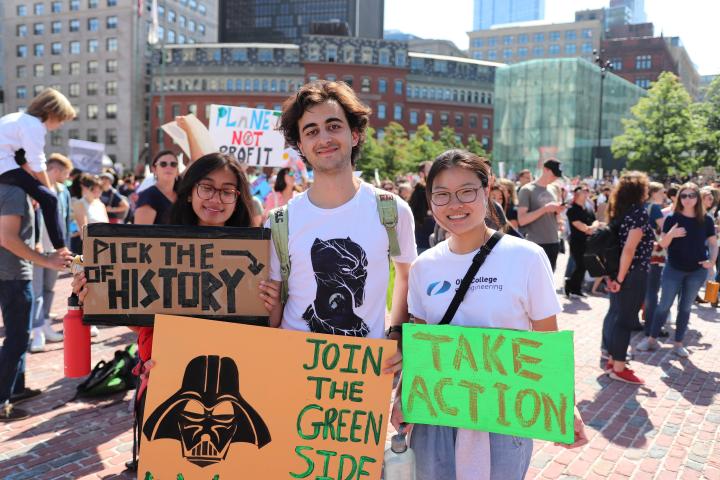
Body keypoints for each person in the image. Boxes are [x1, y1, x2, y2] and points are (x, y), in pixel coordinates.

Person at [73, 153, 282, 468]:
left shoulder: (258, 253)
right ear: (189, 191)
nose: (216, 199)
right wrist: (97, 293)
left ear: (239, 198)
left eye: (228, 191)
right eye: (206, 188)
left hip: (236, 385)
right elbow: (142, 320)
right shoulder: (159, 247)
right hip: (164, 375)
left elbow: (270, 329)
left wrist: (273, 304)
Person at [392, 150, 587, 479]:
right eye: (442, 194)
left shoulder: (526, 257)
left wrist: (563, 404)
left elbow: (546, 339)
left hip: (504, 417)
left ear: (487, 191)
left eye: (467, 191)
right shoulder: (424, 267)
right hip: (435, 417)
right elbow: (421, 344)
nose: (455, 204)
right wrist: (403, 396)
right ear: (430, 200)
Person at [272, 80, 410, 369]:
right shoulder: (280, 221)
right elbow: (272, 304)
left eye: (334, 126)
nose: (324, 138)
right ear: (301, 145)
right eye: (311, 131)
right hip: (292, 367)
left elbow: (408, 278)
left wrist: (397, 334)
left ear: (355, 134)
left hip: (365, 373)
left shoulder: (391, 210)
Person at [1, 183, 72, 421]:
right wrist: (45, 260)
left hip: (13, 273)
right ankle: (2, 400)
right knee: (18, 337)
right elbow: (8, 238)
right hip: (12, 275)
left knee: (20, 335)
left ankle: (16, 388)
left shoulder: (17, 191)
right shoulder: (14, 191)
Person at [636, 183, 718, 357]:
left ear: (697, 198)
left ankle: (678, 343)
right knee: (664, 305)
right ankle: (651, 339)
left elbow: (712, 243)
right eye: (684, 196)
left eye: (691, 195)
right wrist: (671, 234)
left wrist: (711, 261)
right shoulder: (673, 218)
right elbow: (662, 244)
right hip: (673, 269)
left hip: (697, 271)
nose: (687, 199)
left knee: (685, 307)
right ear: (679, 198)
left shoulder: (707, 219)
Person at [0, 88, 75, 255]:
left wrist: (36, 191)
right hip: (4, 167)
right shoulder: (34, 126)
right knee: (50, 199)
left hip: (7, 165)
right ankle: (61, 248)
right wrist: (47, 189)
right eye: (61, 119)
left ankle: (39, 241)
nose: (60, 124)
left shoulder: (15, 118)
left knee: (40, 196)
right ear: (53, 114)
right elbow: (37, 164)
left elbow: (22, 158)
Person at [601, 172, 654, 384]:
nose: (648, 191)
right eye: (646, 187)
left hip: (620, 273)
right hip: (633, 274)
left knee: (616, 316)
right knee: (625, 320)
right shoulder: (639, 214)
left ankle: (614, 361)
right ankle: (619, 367)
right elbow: (629, 250)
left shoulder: (620, 213)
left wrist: (615, 277)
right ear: (639, 190)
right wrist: (621, 279)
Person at [29, 153, 74, 352]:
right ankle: (37, 331)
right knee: (36, 291)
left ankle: (45, 324)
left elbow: (65, 220)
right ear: (55, 170)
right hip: (37, 249)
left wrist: (65, 246)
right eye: (65, 172)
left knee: (49, 288)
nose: (66, 176)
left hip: (56, 249)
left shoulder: (64, 191)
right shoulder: (34, 188)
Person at [517, 159, 565, 271]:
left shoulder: (554, 188)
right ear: (545, 170)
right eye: (555, 174)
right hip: (535, 242)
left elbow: (556, 215)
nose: (556, 177)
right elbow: (522, 220)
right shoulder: (527, 190)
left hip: (553, 241)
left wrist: (558, 213)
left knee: (549, 279)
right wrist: (545, 209)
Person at [564, 185, 600, 298]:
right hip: (577, 241)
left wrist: (591, 228)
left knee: (583, 266)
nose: (586, 194)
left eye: (587, 191)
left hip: (588, 241)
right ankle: (572, 287)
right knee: (581, 265)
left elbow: (596, 221)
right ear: (577, 194)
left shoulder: (588, 208)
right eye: (584, 191)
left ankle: (574, 287)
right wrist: (588, 229)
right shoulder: (572, 210)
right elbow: (579, 226)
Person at [133, 151, 178, 225]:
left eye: (173, 164)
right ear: (154, 169)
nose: (169, 167)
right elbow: (142, 234)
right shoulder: (148, 196)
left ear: (177, 170)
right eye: (163, 164)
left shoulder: (181, 191)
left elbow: (196, 159)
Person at [409, 161, 435, 255]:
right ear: (421, 173)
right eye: (430, 168)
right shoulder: (420, 189)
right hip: (424, 238)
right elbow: (415, 211)